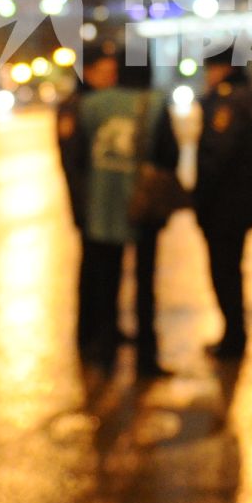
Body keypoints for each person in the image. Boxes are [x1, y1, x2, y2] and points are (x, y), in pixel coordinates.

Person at [76, 53, 173, 379]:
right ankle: (147, 358)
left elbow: (79, 157)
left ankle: (105, 353)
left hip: (103, 208)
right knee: (145, 284)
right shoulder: (156, 104)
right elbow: (168, 156)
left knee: (106, 282)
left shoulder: (91, 105)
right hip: (142, 207)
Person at [177, 51, 252, 361]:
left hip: (223, 203)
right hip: (242, 200)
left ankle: (233, 338)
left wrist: (199, 198)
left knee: (224, 270)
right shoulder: (250, 96)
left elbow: (217, 155)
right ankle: (235, 333)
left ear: (223, 68)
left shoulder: (226, 101)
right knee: (232, 269)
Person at [58, 40, 120, 357]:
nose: (111, 77)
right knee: (93, 270)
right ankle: (89, 335)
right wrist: (82, 207)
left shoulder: (104, 103)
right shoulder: (75, 105)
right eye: (104, 72)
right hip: (89, 204)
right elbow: (73, 163)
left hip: (107, 201)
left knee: (110, 268)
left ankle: (109, 327)